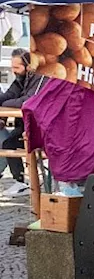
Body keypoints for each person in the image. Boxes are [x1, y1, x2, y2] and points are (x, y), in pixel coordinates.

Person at [0, 49, 46, 195]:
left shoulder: (40, 78)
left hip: (40, 129)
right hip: (23, 127)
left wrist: (6, 102)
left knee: (10, 143)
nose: (14, 71)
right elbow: (9, 95)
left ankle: (22, 183)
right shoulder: (21, 78)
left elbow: (28, 101)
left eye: (16, 67)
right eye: (12, 67)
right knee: (8, 142)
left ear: (27, 66)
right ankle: (20, 182)